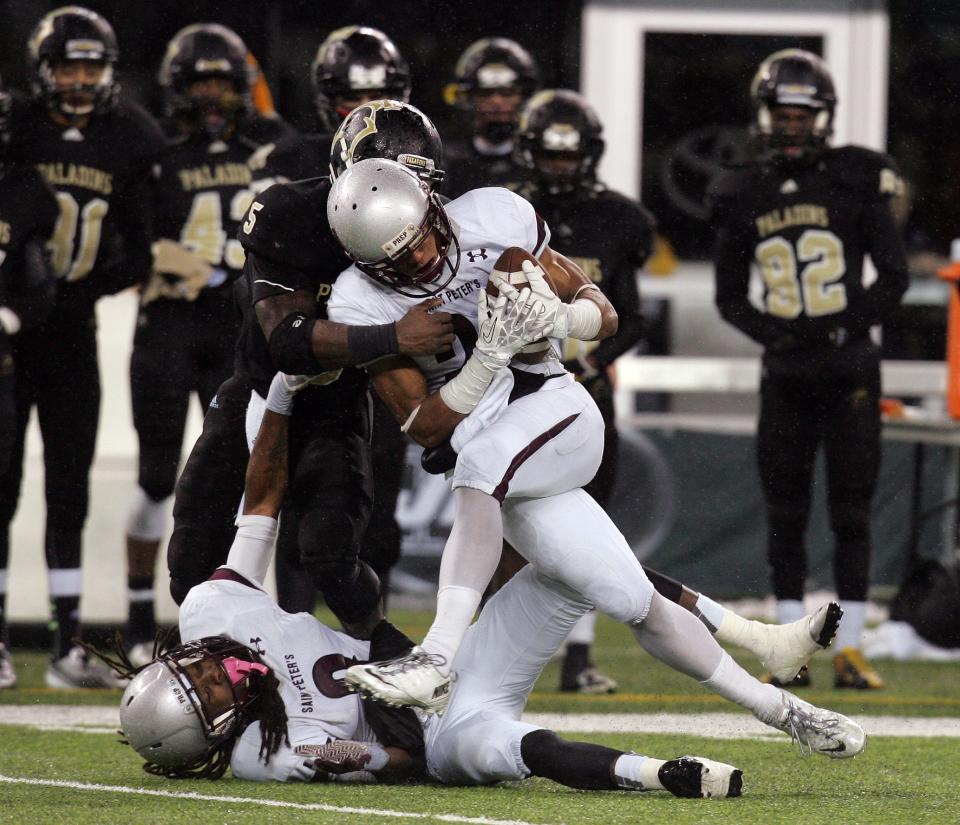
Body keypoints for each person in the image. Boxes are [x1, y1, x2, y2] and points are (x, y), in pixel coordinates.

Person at [323, 160, 864, 765]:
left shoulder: (492, 220)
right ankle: (787, 711)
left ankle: (437, 655)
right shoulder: (358, 298)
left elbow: (602, 313)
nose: (419, 261)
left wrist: (553, 318)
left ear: (433, 208)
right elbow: (423, 426)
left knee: (478, 465)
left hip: (554, 409)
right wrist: (487, 356)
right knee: (637, 604)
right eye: (396, 260)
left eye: (421, 238)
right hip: (500, 458)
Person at [103, 373, 855, 792]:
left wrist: (276, 398)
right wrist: (397, 738)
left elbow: (259, 505)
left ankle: (760, 649)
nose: (212, 667)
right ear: (216, 733)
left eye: (191, 665)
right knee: (506, 748)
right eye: (208, 691)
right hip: (428, 728)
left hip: (434, 663)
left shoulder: (211, 609)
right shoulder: (257, 755)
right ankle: (662, 775)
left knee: (574, 560)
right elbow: (395, 761)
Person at [165, 105, 453, 639]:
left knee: (331, 556)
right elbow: (288, 344)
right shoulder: (289, 214)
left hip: (337, 405)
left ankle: (389, 665)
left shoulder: (436, 236)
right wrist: (394, 336)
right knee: (191, 558)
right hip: (256, 391)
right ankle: (216, 671)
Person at [712, 49, 909, 690]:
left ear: (822, 117)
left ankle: (850, 648)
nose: (792, 125)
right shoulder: (742, 190)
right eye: (782, 113)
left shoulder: (857, 176)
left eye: (804, 113)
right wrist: (779, 334)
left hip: (849, 368)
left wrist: (841, 324)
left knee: (851, 510)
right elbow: (730, 295)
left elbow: (896, 275)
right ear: (764, 116)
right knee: (786, 510)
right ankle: (789, 646)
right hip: (788, 373)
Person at [1, 6, 166, 688]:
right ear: (44, 71)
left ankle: (70, 641)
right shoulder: (18, 127)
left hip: (74, 328)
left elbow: (143, 241)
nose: (77, 79)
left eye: (89, 67)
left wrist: (93, 286)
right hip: (10, 329)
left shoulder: (132, 135)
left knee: (70, 487)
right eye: (66, 66)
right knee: (2, 484)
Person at [123, 23, 295, 664]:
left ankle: (232, 621)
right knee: (156, 476)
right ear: (179, 88)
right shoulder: (156, 150)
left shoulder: (273, 145)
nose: (215, 95)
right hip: (170, 324)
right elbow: (121, 241)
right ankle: (140, 619)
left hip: (237, 328)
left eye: (225, 81)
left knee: (237, 472)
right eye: (202, 82)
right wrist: (149, 259)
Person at [507, 88, 656, 694]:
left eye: (571, 156)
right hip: (518, 391)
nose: (562, 166)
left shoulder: (620, 219)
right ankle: (499, 649)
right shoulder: (505, 211)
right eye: (551, 154)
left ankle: (578, 655)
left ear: (588, 154)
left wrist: (599, 357)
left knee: (590, 520)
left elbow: (635, 315)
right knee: (506, 521)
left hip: (587, 397)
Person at [0, 74, 59, 689]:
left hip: (3, 368)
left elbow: (39, 285)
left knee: (2, 498)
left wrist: (8, 315)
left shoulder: (22, 189)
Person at [248, 26, 411, 191]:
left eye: (377, 96)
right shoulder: (287, 160)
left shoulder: (424, 157)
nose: (366, 108)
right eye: (352, 98)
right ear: (328, 100)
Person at [441, 38, 538, 198]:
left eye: (507, 93)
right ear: (469, 98)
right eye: (485, 93)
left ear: (523, 97)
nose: (496, 102)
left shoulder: (537, 165)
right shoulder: (447, 165)